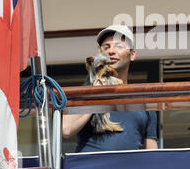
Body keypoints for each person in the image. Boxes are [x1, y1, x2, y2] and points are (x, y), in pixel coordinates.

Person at [62, 24, 158, 152]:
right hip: (90, 168)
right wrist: (94, 96)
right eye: (106, 47)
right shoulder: (84, 93)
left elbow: (152, 151)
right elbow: (66, 129)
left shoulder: (143, 100)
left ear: (132, 54)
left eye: (119, 46)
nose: (111, 51)